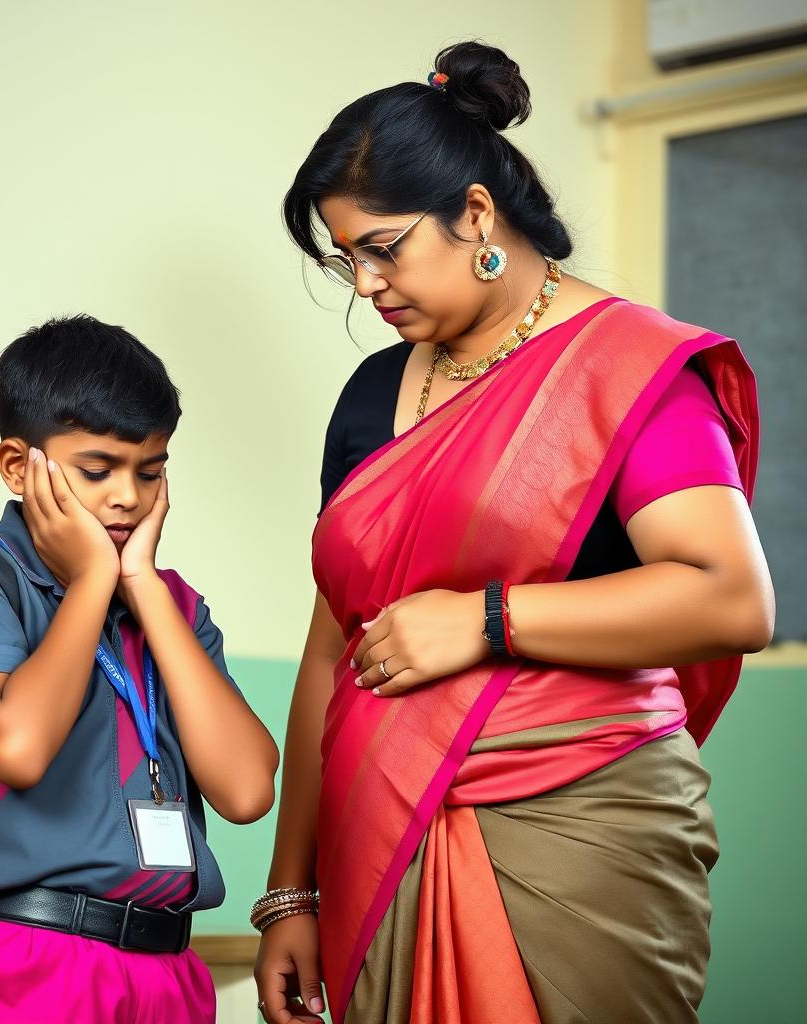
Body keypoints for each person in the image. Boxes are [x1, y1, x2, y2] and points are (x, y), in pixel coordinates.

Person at [252, 41, 774, 1024]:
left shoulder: (628, 372)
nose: (363, 284)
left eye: (382, 247)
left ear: (476, 216)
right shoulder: (371, 394)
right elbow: (335, 646)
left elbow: (727, 594)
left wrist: (486, 618)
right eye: (344, 257)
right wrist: (291, 888)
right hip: (379, 837)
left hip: (577, 832)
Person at [0, 314, 278, 1023]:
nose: (127, 497)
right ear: (19, 467)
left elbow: (246, 790)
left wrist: (137, 581)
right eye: (97, 469)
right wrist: (90, 581)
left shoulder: (172, 606)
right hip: (34, 959)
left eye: (151, 470)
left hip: (169, 970)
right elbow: (18, 749)